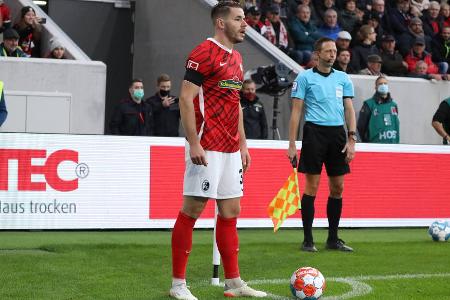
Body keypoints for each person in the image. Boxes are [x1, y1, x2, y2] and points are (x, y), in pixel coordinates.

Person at [169, 2, 267, 300]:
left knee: (231, 211)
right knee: (193, 210)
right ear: (221, 23)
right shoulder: (203, 53)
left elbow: (235, 103)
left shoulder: (237, 58)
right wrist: (193, 142)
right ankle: (177, 285)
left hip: (230, 147)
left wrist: (243, 143)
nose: (245, 24)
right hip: (205, 143)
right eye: (239, 19)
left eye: (245, 19)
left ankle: (234, 281)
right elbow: (186, 99)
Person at [288, 37, 356, 253]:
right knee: (312, 187)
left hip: (337, 134)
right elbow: (296, 112)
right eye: (328, 51)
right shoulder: (304, 78)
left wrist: (351, 138)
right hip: (314, 133)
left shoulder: (343, 78)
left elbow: (349, 109)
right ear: (317, 54)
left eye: (334, 51)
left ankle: (333, 239)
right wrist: (291, 144)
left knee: (338, 187)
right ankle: (308, 240)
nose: (333, 54)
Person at [357, 76, 399, 143]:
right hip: (375, 146)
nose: (383, 85)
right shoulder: (369, 104)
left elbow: (395, 125)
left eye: (385, 83)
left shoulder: (393, 105)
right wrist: (367, 142)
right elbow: (361, 126)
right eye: (380, 84)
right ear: (375, 87)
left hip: (392, 146)